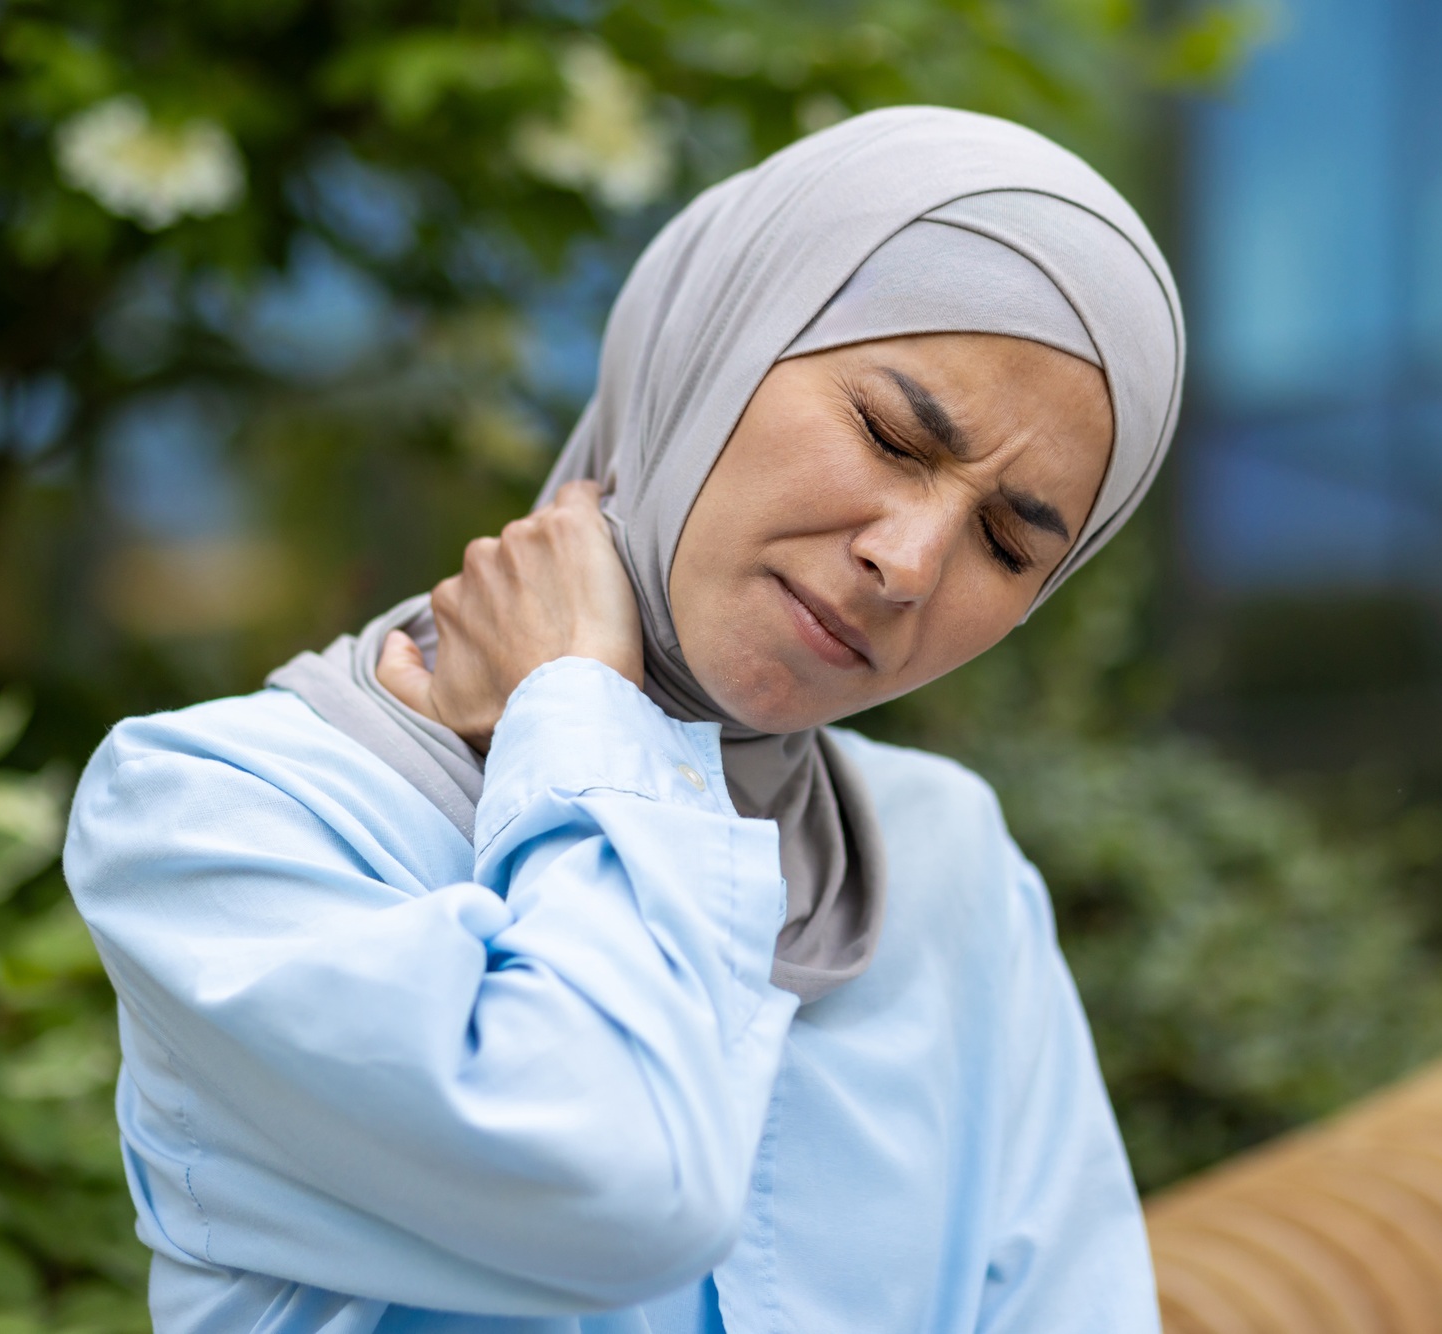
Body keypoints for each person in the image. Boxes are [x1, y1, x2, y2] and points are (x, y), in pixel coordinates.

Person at [63, 105, 1183, 1332]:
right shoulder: (218, 818)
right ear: (715, 341)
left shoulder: (942, 863)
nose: (908, 560)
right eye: (889, 433)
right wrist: (584, 715)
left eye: (1009, 542)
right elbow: (621, 1182)